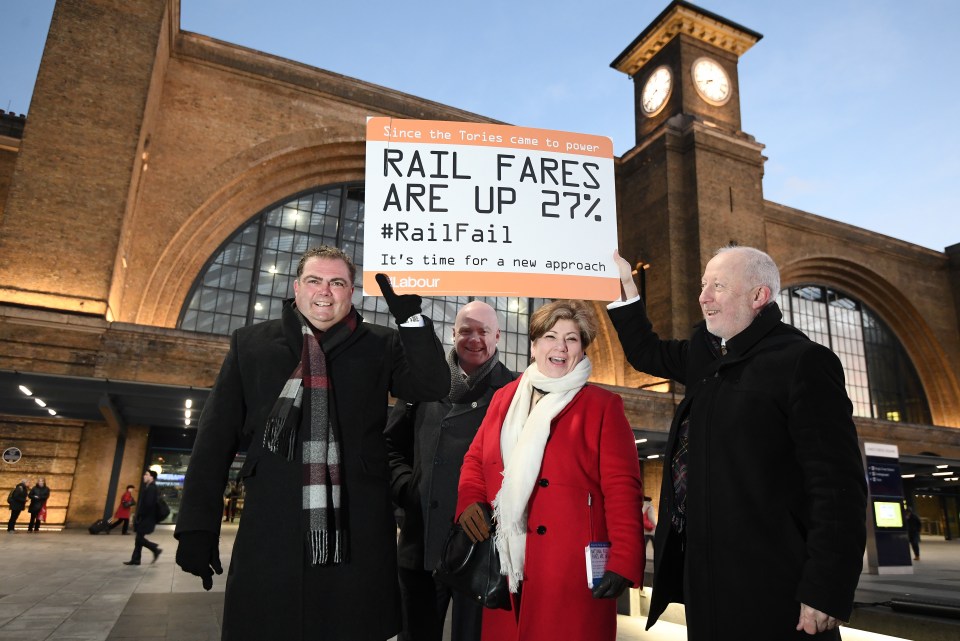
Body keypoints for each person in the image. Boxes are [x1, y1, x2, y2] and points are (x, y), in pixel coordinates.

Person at [173, 245, 449, 641]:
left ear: (350, 292)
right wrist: (198, 528)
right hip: (273, 525)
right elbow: (215, 440)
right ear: (296, 287)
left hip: (356, 527)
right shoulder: (251, 344)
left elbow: (433, 384)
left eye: (337, 283)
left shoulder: (381, 343)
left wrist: (413, 322)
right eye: (315, 281)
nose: (326, 291)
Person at [608, 246, 867, 640]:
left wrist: (826, 589)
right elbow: (647, 353)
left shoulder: (802, 362)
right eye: (703, 284)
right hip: (707, 582)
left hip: (774, 586)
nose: (703, 296)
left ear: (758, 296)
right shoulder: (706, 354)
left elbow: (837, 487)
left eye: (718, 286)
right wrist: (626, 288)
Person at [456, 300, 645, 641]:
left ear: (582, 348)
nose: (560, 347)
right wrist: (470, 499)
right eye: (551, 336)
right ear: (534, 345)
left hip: (569, 568)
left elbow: (622, 488)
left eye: (572, 339)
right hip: (505, 565)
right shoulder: (504, 398)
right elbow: (475, 459)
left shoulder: (603, 406)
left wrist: (625, 559)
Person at [385, 301, 516, 641]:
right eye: (466, 331)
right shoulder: (422, 386)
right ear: (452, 334)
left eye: (483, 331)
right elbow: (389, 447)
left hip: (484, 544)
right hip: (421, 540)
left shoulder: (515, 392)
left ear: (498, 336)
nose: (475, 339)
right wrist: (407, 489)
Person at [124, 470, 162, 565]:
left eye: (146, 475)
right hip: (146, 517)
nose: (144, 476)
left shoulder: (151, 488)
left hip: (146, 518)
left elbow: (148, 505)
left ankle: (155, 548)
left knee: (139, 539)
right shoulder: (149, 487)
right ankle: (136, 559)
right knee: (139, 538)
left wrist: (140, 515)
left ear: (152, 477)